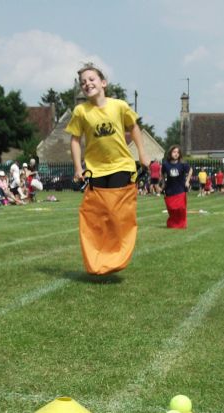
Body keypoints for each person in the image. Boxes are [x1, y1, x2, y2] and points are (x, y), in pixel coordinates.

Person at [66, 63, 148, 275]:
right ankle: (99, 259)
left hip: (121, 166)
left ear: (103, 83)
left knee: (117, 214)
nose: (87, 84)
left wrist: (143, 155)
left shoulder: (119, 106)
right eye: (83, 82)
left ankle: (117, 256)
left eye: (91, 79)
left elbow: (134, 127)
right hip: (96, 171)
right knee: (98, 217)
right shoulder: (81, 111)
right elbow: (75, 140)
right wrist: (78, 168)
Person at [160, 144, 192, 229]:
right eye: (174, 152)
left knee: (181, 208)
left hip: (180, 189)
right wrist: (163, 183)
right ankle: (172, 224)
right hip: (169, 190)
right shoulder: (165, 164)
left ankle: (181, 224)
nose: (176, 154)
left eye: (178, 152)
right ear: (170, 153)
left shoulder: (182, 164)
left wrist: (187, 181)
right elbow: (162, 173)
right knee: (172, 208)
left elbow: (190, 170)